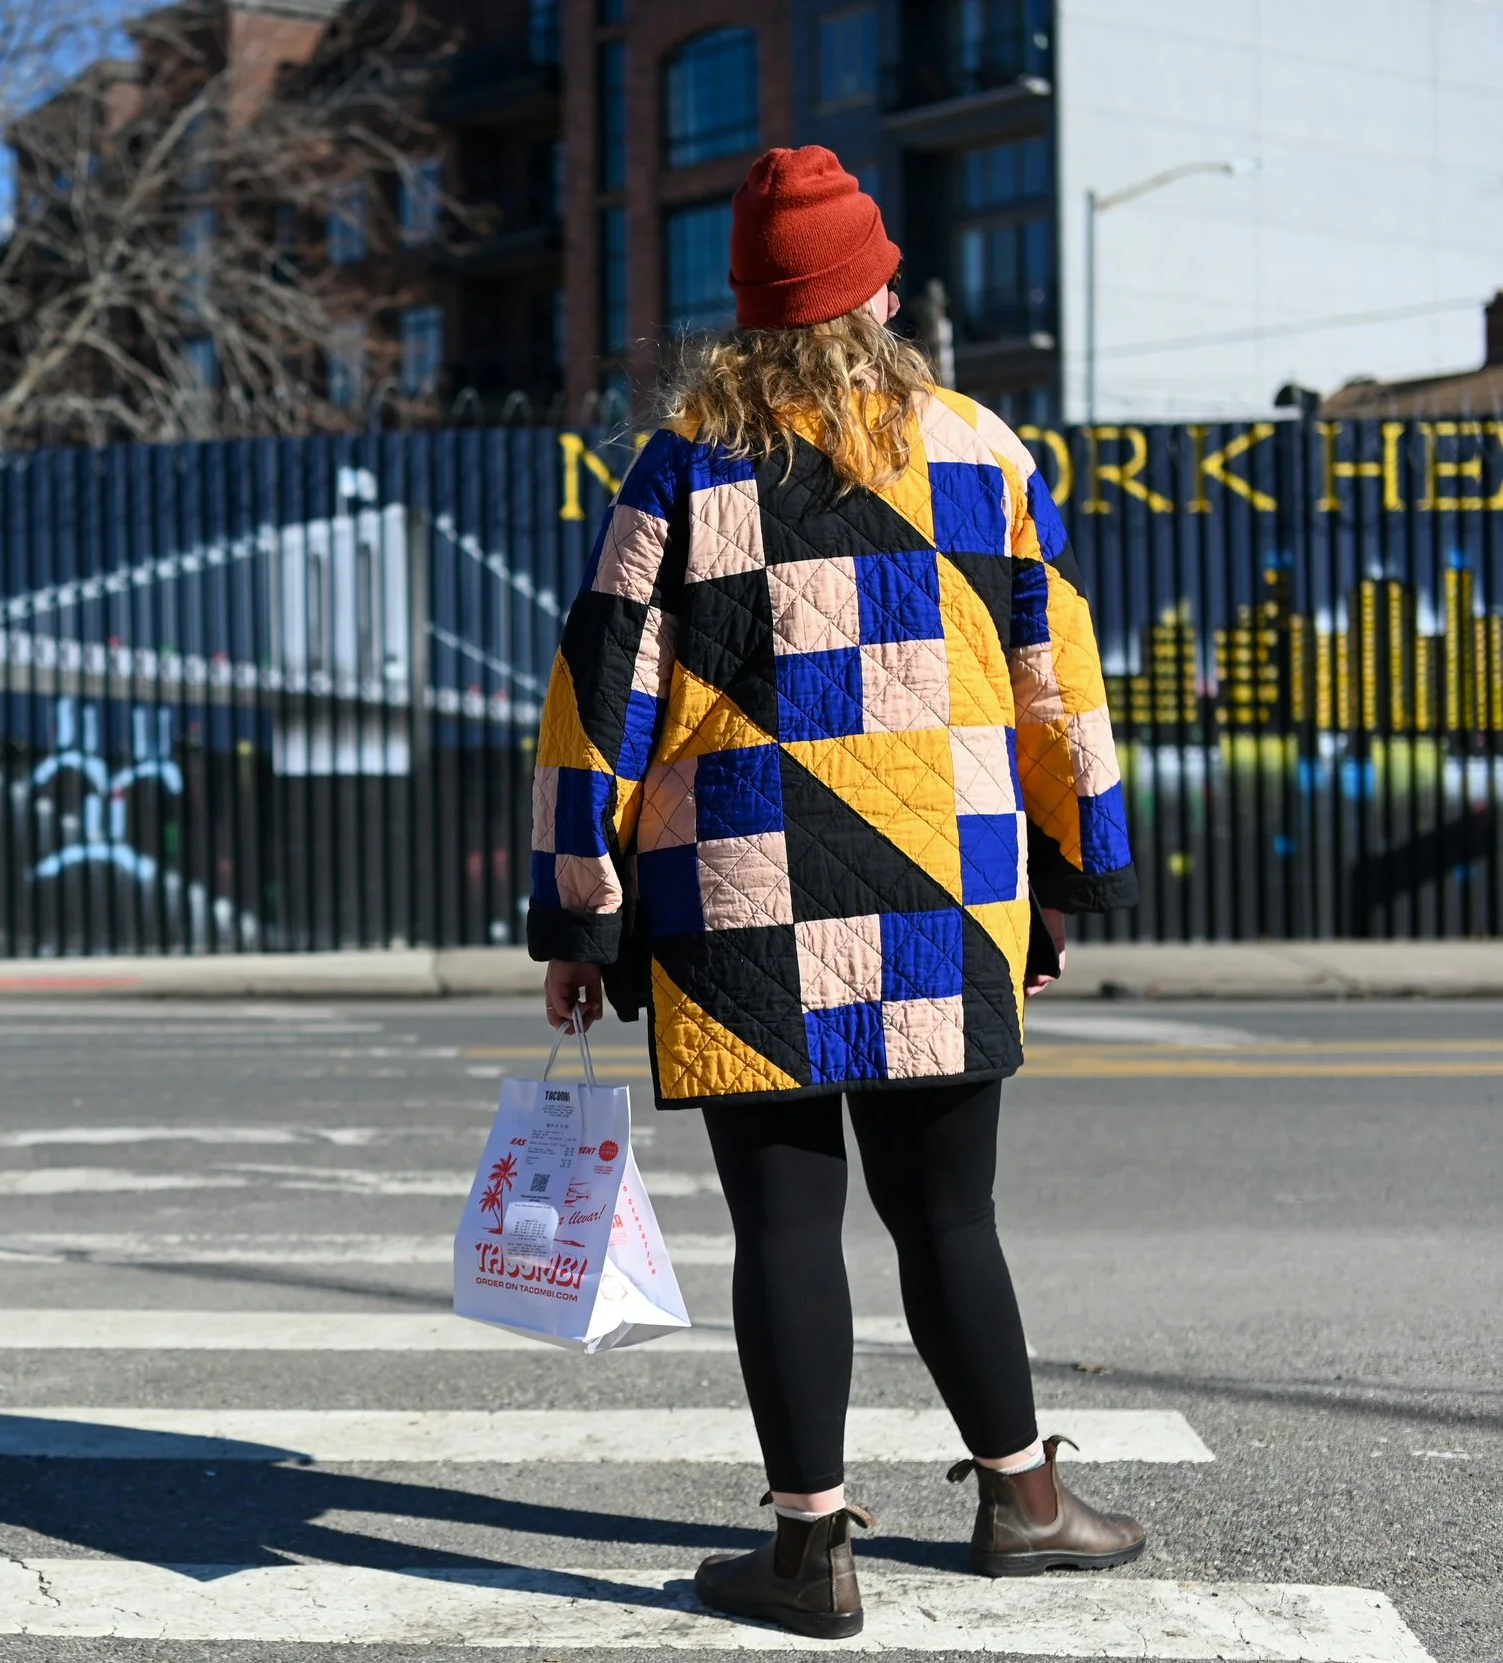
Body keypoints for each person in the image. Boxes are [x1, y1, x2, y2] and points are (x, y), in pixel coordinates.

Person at [529, 147, 1144, 1639]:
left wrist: (582, 907)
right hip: (944, 880)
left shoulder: (682, 462)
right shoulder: (981, 447)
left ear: (743, 313)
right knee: (952, 1215)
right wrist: (1064, 877)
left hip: (737, 891)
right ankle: (1024, 1502)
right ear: (877, 286)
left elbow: (600, 684)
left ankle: (811, 1552)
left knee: (784, 1230)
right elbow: (1058, 685)